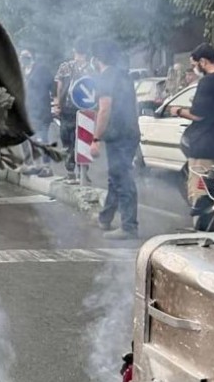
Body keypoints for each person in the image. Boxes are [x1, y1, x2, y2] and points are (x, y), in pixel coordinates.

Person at [89, 41, 141, 240]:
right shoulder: (124, 76)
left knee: (123, 179)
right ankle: (105, 218)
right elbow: (133, 105)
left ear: (97, 59)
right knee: (115, 177)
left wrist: (95, 138)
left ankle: (129, 227)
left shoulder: (105, 77)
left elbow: (104, 109)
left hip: (118, 136)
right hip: (130, 133)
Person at [170, 44, 214, 210]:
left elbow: (198, 114)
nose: (194, 69)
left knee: (201, 196)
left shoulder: (208, 81)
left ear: (203, 61)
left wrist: (179, 111)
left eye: (194, 65)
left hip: (206, 149)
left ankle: (202, 231)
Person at [54, 39, 97, 184]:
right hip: (85, 109)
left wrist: (58, 105)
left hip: (67, 108)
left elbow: (59, 88)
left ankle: (70, 172)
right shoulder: (92, 69)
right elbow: (95, 89)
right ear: (87, 51)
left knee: (67, 141)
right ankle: (83, 172)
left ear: (74, 50)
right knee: (83, 140)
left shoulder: (65, 67)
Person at [20, 49, 56, 177]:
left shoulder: (41, 70)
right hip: (28, 113)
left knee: (43, 140)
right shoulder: (23, 72)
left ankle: (47, 167)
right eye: (22, 56)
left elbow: (53, 87)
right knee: (30, 140)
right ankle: (36, 165)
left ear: (32, 56)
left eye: (26, 56)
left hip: (41, 113)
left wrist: (55, 104)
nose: (24, 59)